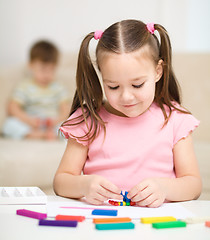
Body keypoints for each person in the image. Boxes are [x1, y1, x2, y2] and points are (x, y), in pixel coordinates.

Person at [53, 20, 202, 207]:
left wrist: (164, 188)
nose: (126, 96)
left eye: (137, 84)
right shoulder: (89, 120)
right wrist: (84, 185)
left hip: (158, 226)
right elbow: (61, 182)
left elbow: (194, 185)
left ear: (158, 71)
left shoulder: (175, 120)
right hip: (102, 222)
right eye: (113, 86)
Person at [2, 40, 70, 140]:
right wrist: (28, 120)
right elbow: (12, 107)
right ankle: (34, 134)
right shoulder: (24, 86)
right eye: (42, 69)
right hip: (31, 123)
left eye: (51, 69)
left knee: (71, 126)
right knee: (9, 125)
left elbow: (65, 109)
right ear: (31, 65)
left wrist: (56, 120)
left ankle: (52, 134)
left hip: (52, 123)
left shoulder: (58, 88)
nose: (47, 75)